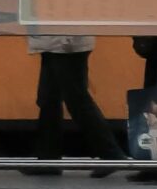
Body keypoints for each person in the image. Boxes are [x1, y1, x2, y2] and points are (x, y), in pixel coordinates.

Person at [26, 30, 122, 164]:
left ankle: (111, 154)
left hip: (65, 44)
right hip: (55, 43)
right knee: (49, 98)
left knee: (76, 99)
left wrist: (68, 38)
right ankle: (47, 159)